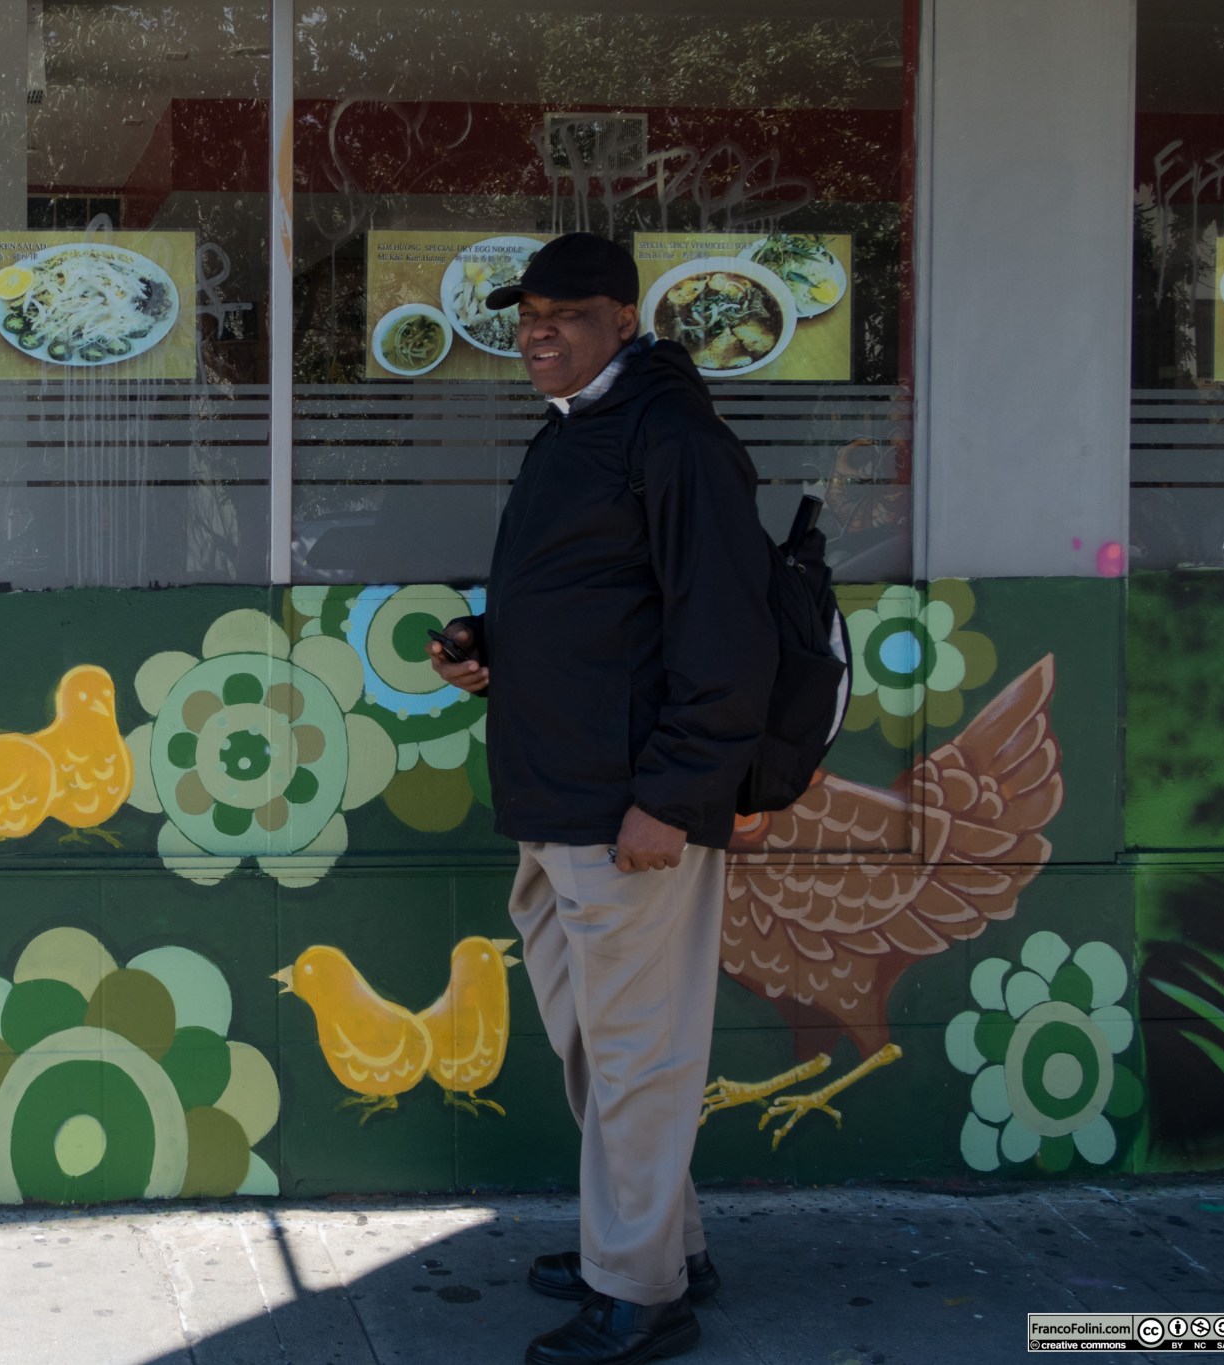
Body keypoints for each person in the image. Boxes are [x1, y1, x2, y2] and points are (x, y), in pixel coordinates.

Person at [428, 233, 775, 1365]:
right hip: (556, 795)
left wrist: (670, 800)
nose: (536, 331)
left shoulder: (672, 439)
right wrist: (486, 644)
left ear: (623, 320)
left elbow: (725, 637)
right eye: (527, 312)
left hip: (628, 814)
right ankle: (664, 1242)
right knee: (598, 1048)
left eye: (566, 313)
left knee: (637, 1054)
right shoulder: (576, 431)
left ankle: (639, 1292)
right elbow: (592, 606)